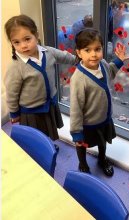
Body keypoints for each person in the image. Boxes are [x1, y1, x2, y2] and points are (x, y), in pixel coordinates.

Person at [4, 14, 76, 144]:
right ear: (12, 43)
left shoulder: (48, 52)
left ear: (36, 35)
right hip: (31, 112)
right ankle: (40, 152)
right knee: (35, 138)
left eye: (27, 39)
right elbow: (11, 94)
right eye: (17, 42)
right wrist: (14, 113)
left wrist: (81, 60)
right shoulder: (16, 67)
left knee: (48, 130)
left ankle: (48, 146)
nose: (23, 46)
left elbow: (66, 57)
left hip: (49, 105)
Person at [70, 28, 129, 176]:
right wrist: (76, 133)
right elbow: (76, 109)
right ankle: (82, 163)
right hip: (87, 123)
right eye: (87, 50)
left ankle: (102, 159)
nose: (93, 54)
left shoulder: (102, 63)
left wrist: (119, 60)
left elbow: (110, 71)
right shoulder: (78, 79)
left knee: (103, 142)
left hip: (104, 119)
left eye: (97, 49)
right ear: (79, 53)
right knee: (82, 144)